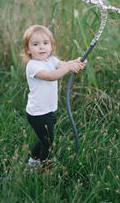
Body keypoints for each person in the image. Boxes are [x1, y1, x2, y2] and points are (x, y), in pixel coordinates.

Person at [21, 24, 87, 167]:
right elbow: (51, 76)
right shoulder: (33, 66)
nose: (42, 47)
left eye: (46, 43)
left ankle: (33, 163)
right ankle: (44, 167)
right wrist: (69, 68)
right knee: (48, 143)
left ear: (51, 46)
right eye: (36, 44)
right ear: (28, 49)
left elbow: (62, 64)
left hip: (48, 110)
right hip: (38, 113)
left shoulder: (50, 60)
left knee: (44, 139)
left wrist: (76, 62)